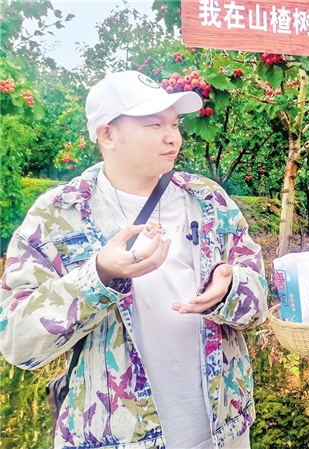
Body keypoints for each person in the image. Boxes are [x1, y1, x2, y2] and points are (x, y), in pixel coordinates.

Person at [0, 70, 268, 449]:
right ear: (107, 135)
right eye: (154, 125)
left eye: (174, 124)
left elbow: (259, 303)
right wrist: (98, 276)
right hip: (115, 438)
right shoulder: (58, 215)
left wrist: (230, 290)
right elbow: (16, 341)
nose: (173, 137)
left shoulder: (208, 200)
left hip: (224, 430)